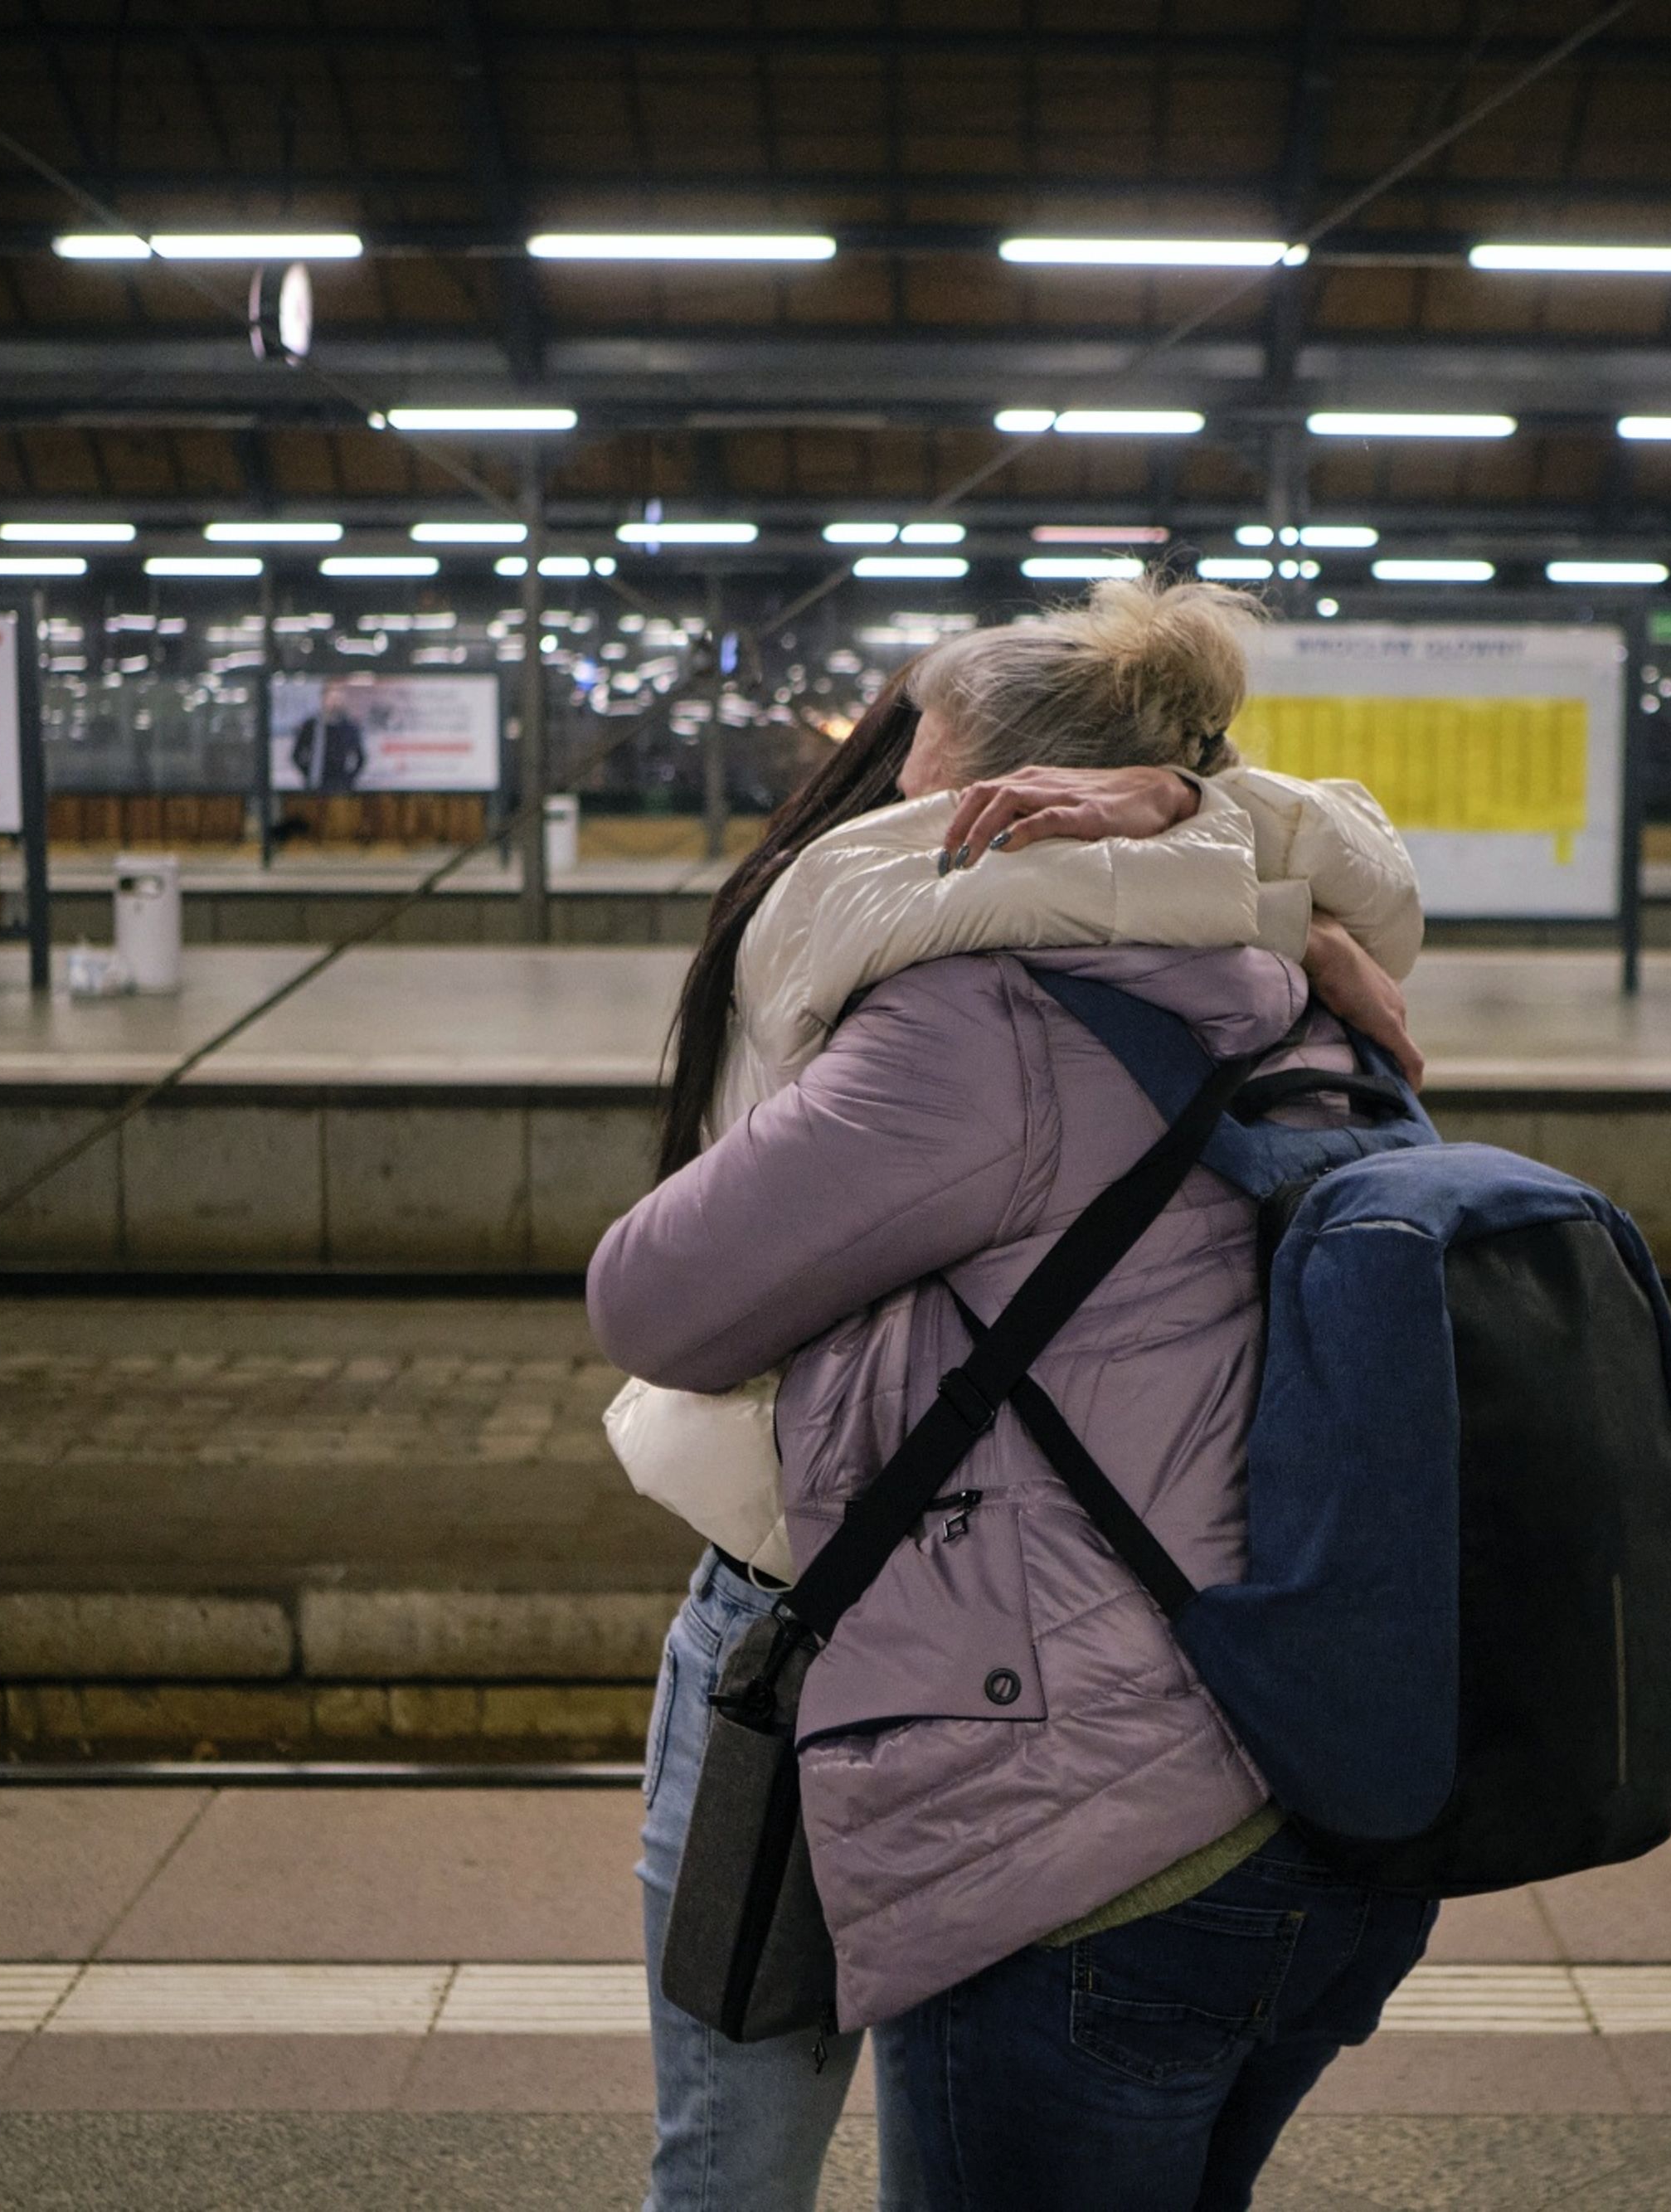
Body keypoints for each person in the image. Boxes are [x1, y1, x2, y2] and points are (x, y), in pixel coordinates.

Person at [595, 579, 1439, 2212]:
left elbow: (654, 1300)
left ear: (995, 784)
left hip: (962, 1707)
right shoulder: (1287, 980)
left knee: (726, 2171)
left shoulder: (963, 1018)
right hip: (1259, 1728)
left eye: (917, 742)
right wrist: (1220, 835)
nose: (888, 773)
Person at [288, 679, 367, 792]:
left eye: (338, 699)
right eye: (332, 698)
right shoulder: (310, 726)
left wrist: (349, 780)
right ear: (324, 699)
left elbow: (360, 758)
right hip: (316, 784)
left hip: (341, 786)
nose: (335, 703)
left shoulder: (350, 727)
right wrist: (307, 774)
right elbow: (296, 755)